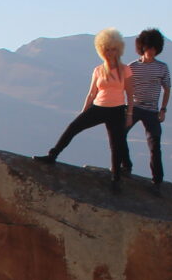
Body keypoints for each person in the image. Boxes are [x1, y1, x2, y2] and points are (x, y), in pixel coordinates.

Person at [35, 29, 133, 188]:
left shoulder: (125, 70)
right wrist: (84, 112)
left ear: (119, 49)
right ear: (101, 49)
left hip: (117, 110)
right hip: (98, 107)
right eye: (107, 49)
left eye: (113, 49)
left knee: (116, 144)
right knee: (73, 127)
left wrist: (129, 114)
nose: (110, 52)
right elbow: (92, 93)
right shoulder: (98, 70)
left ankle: (116, 178)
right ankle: (52, 156)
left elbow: (130, 93)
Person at [127, 28, 172, 194]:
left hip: (152, 110)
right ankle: (125, 167)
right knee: (119, 134)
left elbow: (167, 89)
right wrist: (128, 109)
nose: (152, 51)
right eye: (149, 47)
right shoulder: (132, 66)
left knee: (155, 145)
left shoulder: (162, 68)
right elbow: (127, 88)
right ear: (143, 47)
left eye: (154, 48)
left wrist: (163, 109)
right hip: (134, 107)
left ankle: (157, 181)